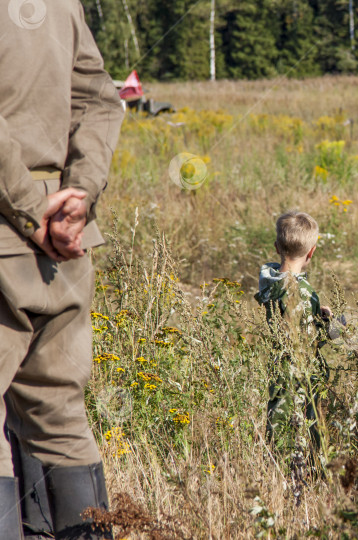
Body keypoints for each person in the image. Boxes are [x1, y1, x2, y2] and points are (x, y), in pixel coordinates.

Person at [0, 1, 124, 539]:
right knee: (60, 416)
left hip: (18, 225)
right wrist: (77, 198)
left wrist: (30, 211)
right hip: (62, 236)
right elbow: (100, 98)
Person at [254, 211, 331, 460]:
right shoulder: (301, 291)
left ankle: (278, 472)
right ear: (312, 252)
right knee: (302, 433)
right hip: (300, 374)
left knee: (278, 425)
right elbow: (307, 341)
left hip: (280, 368)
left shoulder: (270, 280)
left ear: (276, 246)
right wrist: (328, 324)